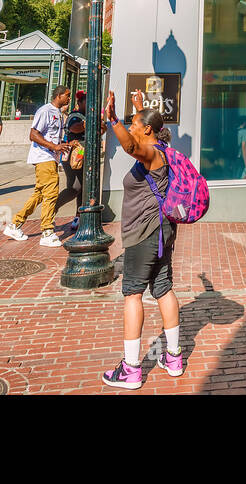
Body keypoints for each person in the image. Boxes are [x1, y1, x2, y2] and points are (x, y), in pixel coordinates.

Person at [101, 89, 185, 390]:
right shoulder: (162, 148)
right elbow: (140, 135)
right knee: (163, 289)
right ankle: (174, 357)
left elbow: (130, 146)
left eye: (134, 123)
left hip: (145, 233)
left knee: (133, 294)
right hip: (161, 232)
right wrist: (138, 107)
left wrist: (112, 120)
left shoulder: (150, 153)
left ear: (146, 130)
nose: (130, 127)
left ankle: (131, 369)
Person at [2, 85, 72, 247]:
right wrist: (54, 147)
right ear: (59, 95)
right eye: (67, 95)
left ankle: (15, 225)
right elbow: (33, 134)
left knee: (39, 194)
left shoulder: (59, 114)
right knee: (52, 192)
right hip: (43, 158)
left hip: (51, 158)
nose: (69, 98)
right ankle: (47, 231)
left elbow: (53, 137)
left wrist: (65, 144)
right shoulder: (45, 111)